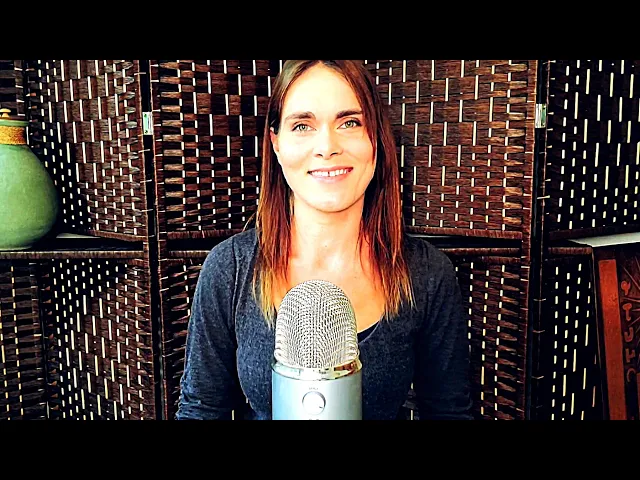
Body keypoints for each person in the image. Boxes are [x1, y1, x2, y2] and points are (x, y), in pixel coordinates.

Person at [175, 60, 473, 420]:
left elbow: (450, 413)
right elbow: (200, 410)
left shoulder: (427, 274)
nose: (327, 146)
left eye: (349, 123)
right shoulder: (230, 269)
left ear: (376, 137)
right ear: (276, 143)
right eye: (302, 125)